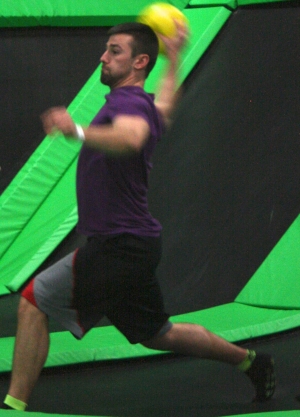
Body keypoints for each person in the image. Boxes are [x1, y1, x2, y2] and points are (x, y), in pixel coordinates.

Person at [2, 22, 275, 412]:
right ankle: (250, 360)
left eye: (114, 51)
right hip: (135, 245)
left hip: (119, 244)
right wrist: (176, 56)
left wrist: (75, 129)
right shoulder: (142, 102)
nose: (103, 57)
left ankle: (13, 407)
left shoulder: (125, 104)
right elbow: (164, 108)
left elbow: (131, 139)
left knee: (33, 301)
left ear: (139, 61)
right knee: (156, 334)